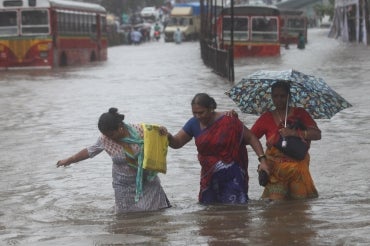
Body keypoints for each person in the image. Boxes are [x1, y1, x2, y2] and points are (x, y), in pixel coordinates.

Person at [56, 107, 171, 213]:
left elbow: (159, 134)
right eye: (106, 135)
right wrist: (69, 160)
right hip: (123, 185)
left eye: (111, 134)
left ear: (120, 127)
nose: (109, 138)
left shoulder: (141, 130)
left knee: (156, 214)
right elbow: (89, 151)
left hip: (146, 181)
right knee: (124, 219)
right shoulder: (105, 139)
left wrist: (162, 132)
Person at [165, 93, 269, 205]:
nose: (198, 116)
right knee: (209, 213)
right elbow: (177, 143)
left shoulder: (229, 120)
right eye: (194, 113)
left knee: (237, 211)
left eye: (201, 112)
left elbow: (251, 138)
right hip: (209, 177)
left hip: (232, 176)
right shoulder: (193, 123)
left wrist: (262, 161)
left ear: (211, 108)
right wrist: (168, 136)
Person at [250, 81, 321, 200]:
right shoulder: (266, 117)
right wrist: (262, 159)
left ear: (289, 96)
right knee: (275, 206)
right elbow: (251, 138)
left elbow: (317, 134)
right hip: (275, 169)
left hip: (297, 168)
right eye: (275, 96)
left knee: (299, 205)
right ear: (271, 97)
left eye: (282, 96)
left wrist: (294, 133)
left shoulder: (300, 114)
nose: (279, 100)